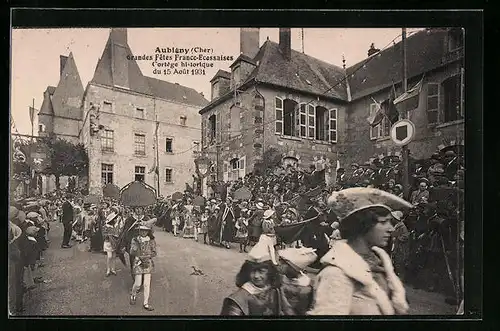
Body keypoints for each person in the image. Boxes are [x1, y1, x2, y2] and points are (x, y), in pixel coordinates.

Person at [307, 187, 412, 315]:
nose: (390, 228)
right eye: (383, 222)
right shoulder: (336, 274)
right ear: (363, 225)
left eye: (391, 222)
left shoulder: (380, 264)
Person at [129, 223, 157, 311]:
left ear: (148, 231)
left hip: (148, 263)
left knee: (146, 284)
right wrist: (135, 249)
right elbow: (132, 253)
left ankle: (146, 303)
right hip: (138, 263)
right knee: (137, 284)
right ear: (139, 231)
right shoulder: (135, 240)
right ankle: (133, 294)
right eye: (142, 230)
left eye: (146, 230)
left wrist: (149, 256)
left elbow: (154, 252)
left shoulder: (151, 240)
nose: (144, 232)